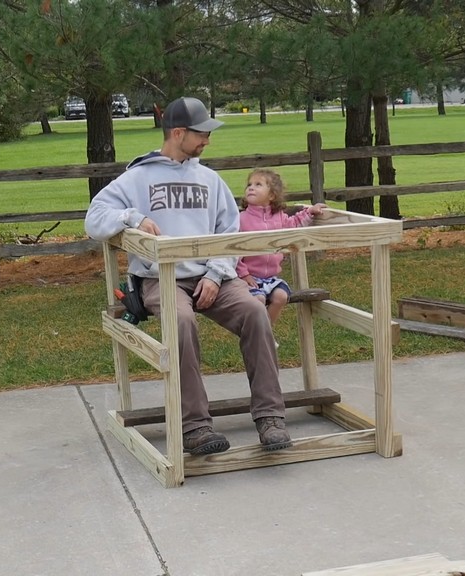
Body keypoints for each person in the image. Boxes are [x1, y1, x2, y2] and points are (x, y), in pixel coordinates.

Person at [84, 96, 293, 454]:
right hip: (160, 278)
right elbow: (95, 217)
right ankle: (195, 427)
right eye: (201, 134)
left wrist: (215, 274)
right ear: (177, 132)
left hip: (214, 276)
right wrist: (132, 218)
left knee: (256, 313)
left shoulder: (210, 180)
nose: (207, 141)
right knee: (181, 322)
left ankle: (271, 418)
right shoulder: (138, 177)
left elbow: (229, 232)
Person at [236, 169, 326, 329]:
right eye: (249, 184)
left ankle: (266, 331)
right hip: (248, 278)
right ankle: (257, 334)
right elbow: (234, 251)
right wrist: (244, 274)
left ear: (272, 195)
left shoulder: (279, 218)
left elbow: (294, 225)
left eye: (258, 184)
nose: (251, 188)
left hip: (271, 277)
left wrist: (310, 212)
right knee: (259, 300)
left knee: (281, 296)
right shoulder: (241, 219)